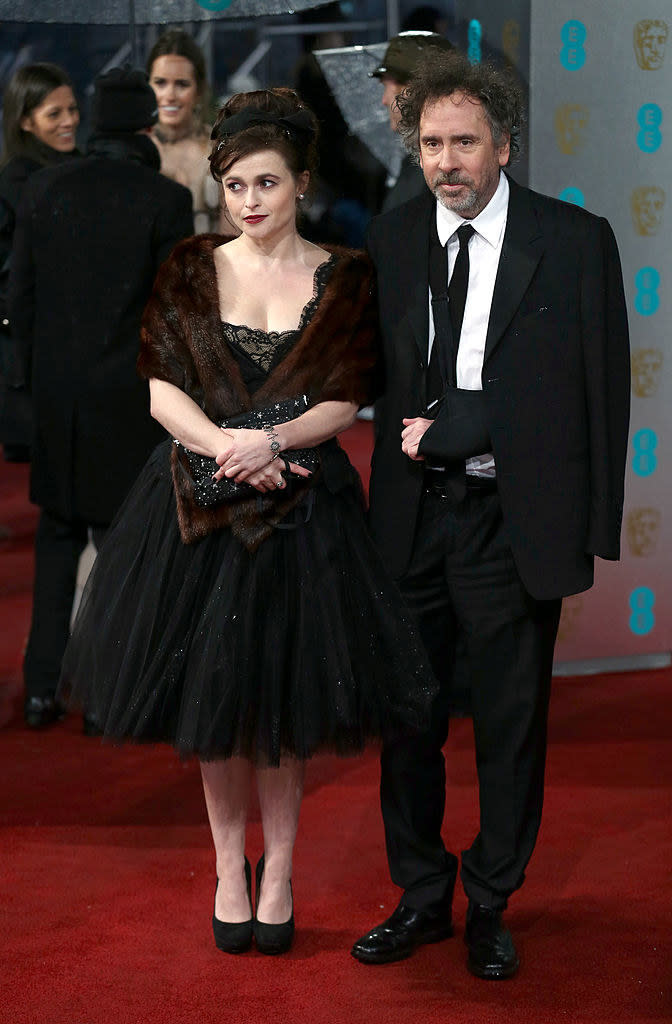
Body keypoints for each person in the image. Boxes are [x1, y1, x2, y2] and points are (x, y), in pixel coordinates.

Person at [58, 87, 436, 956]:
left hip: (306, 512)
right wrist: (231, 446)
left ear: (301, 183)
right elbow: (159, 389)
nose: (250, 201)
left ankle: (284, 870)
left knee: (284, 700)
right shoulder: (190, 265)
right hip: (195, 509)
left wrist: (270, 439)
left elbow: (348, 396)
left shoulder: (345, 275)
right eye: (234, 186)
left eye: (266, 183)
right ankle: (231, 866)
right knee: (214, 703)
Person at [351, 51, 630, 978]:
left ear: (504, 145)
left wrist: (491, 430)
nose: (446, 160)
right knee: (408, 720)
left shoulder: (575, 239)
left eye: (464, 141)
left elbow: (595, 392)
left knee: (511, 725)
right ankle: (422, 894)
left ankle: (492, 900)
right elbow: (366, 381)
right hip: (410, 518)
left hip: (512, 519)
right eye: (430, 142)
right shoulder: (390, 242)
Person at [9, 67, 193, 730]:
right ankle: (108, 698)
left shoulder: (41, 189)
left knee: (58, 545)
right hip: (132, 404)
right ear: (145, 123)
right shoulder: (164, 199)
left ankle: (41, 687)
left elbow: (19, 303)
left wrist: (27, 397)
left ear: (90, 121)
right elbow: (174, 313)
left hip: (60, 406)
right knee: (124, 552)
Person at [0, 62, 80, 461]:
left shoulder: (75, 164)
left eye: (72, 109)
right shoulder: (18, 180)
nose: (69, 121)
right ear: (26, 122)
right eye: (55, 113)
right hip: (36, 352)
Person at [370, 32, 453, 213]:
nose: (384, 101)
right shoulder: (417, 163)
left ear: (411, 90)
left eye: (387, 88)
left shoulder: (433, 171)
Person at [147, 28, 220, 233]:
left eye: (181, 84)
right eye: (160, 83)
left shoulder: (218, 148)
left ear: (198, 90)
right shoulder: (137, 149)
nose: (170, 95)